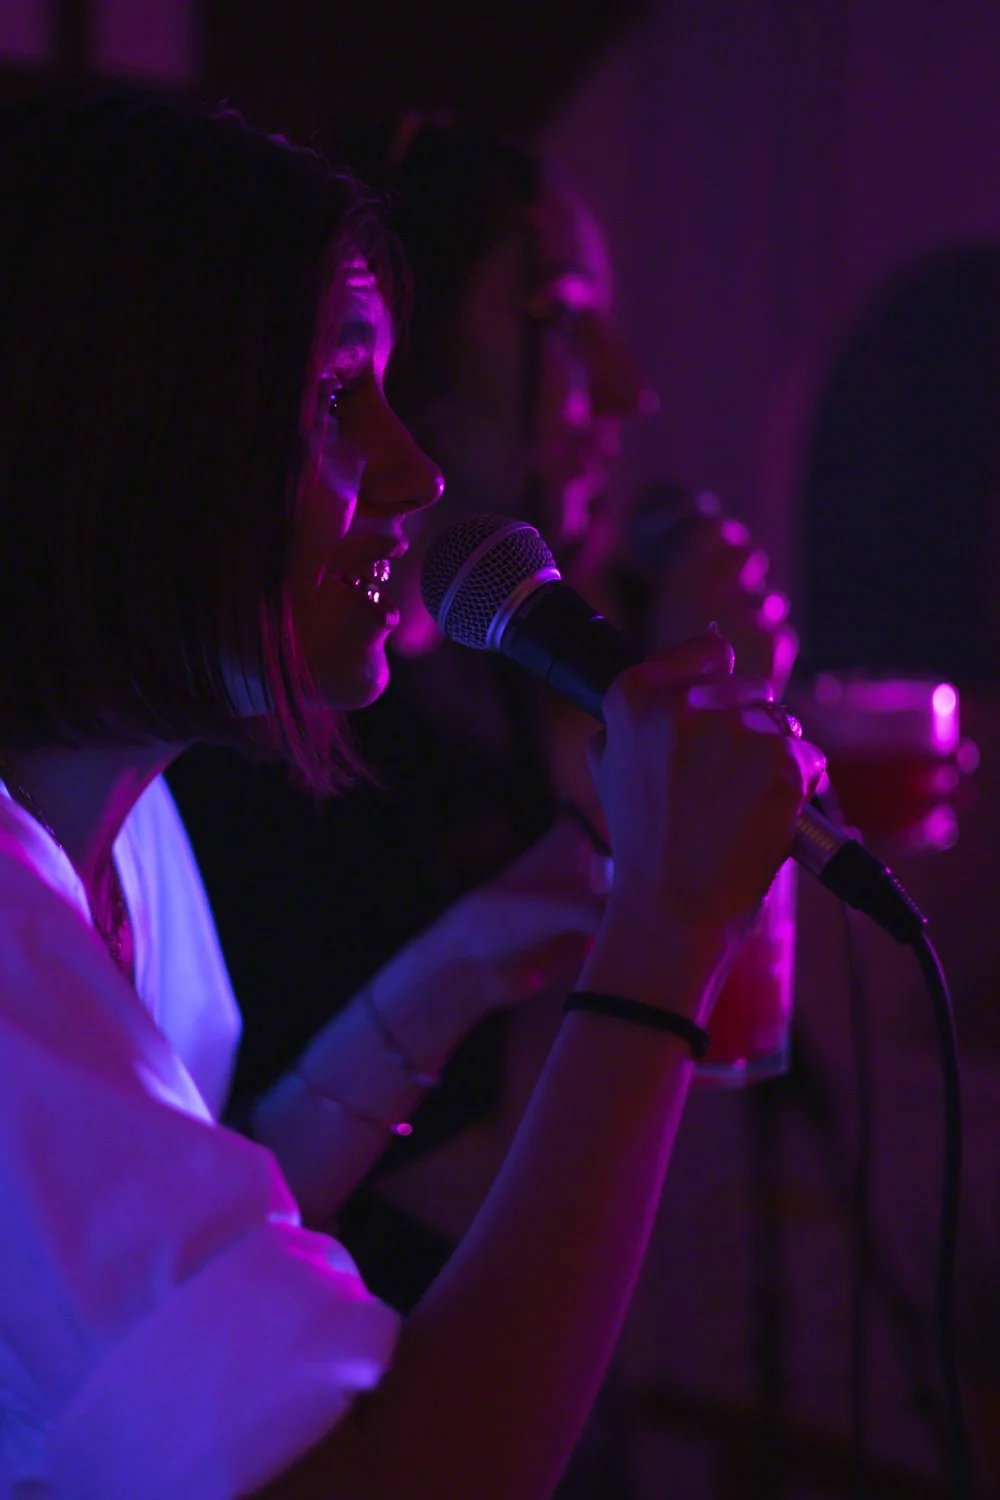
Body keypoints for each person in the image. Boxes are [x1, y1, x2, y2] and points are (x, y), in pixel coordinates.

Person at [0, 87, 824, 1498]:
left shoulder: (129, 826)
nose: (410, 470)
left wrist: (451, 973)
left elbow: (184, 1269)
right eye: (334, 396)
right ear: (129, 431)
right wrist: (661, 943)